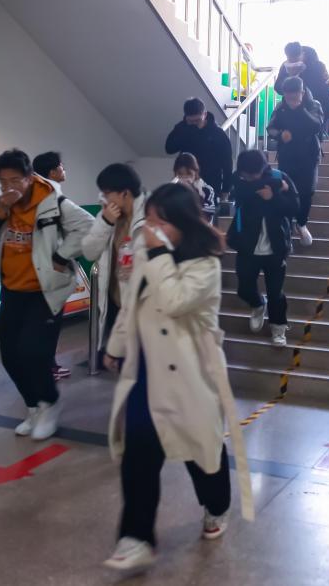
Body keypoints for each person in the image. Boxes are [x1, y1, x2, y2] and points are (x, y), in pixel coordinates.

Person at [103, 182, 253, 572]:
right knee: (139, 456)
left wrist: (156, 254)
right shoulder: (148, 255)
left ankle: (217, 505)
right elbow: (131, 306)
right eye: (149, 221)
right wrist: (115, 346)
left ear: (184, 224)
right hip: (147, 373)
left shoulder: (205, 265)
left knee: (200, 453)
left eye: (161, 222)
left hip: (190, 375)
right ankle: (136, 537)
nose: (151, 229)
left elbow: (174, 301)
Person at [0, 149, 94, 441]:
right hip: (12, 290)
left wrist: (62, 256)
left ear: (29, 177)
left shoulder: (54, 202)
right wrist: (0, 211)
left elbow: (89, 226)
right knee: (10, 356)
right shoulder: (2, 204)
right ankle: (33, 407)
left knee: (34, 353)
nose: (10, 187)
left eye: (15, 180)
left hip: (45, 292)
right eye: (3, 182)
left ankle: (50, 403)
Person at [226, 149, 300, 348]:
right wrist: (276, 188)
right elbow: (238, 192)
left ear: (262, 168)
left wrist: (273, 197)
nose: (250, 178)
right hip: (247, 246)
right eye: (247, 175)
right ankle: (258, 304)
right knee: (244, 287)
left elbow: (294, 208)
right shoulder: (241, 178)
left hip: (276, 246)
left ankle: (278, 327)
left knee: (276, 292)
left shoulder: (280, 177)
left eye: (254, 175)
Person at [82, 164, 147, 370]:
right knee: (122, 362)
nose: (103, 198)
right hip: (113, 299)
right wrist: (105, 222)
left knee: (139, 364)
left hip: (140, 302)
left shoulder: (151, 215)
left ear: (125, 193)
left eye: (107, 193)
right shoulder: (109, 215)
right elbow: (89, 252)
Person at [266, 76, 323, 246]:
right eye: (287, 95)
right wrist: (280, 135)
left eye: (294, 95)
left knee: (307, 191)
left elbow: (316, 125)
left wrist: (299, 109)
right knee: (286, 189)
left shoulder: (313, 105)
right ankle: (287, 225)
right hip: (287, 156)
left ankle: (302, 223)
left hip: (309, 155)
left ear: (302, 92)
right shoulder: (280, 107)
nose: (290, 99)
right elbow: (271, 128)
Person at [33, 150, 72, 380]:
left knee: (46, 320)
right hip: (48, 269)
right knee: (48, 320)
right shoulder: (50, 197)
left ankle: (47, 364)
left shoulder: (42, 195)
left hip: (43, 268)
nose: (64, 170)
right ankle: (47, 366)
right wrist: (61, 258)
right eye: (61, 166)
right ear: (53, 171)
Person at [164, 98, 233, 202]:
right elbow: (169, 148)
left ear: (204, 114)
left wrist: (226, 190)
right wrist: (186, 130)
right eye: (191, 121)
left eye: (197, 120)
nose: (194, 123)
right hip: (187, 180)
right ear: (186, 117)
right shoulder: (181, 127)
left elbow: (227, 163)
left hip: (211, 181)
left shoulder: (218, 133)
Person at [274, 41, 329, 137]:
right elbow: (278, 88)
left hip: (315, 109)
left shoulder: (318, 66)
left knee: (315, 137)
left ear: (302, 54)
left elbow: (327, 90)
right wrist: (290, 77)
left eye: (296, 60)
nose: (293, 63)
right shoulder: (285, 66)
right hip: (292, 109)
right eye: (290, 60)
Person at [172, 152, 216, 222]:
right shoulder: (171, 189)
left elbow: (210, 211)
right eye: (180, 174)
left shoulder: (206, 189)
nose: (184, 177)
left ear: (196, 173)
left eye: (189, 173)